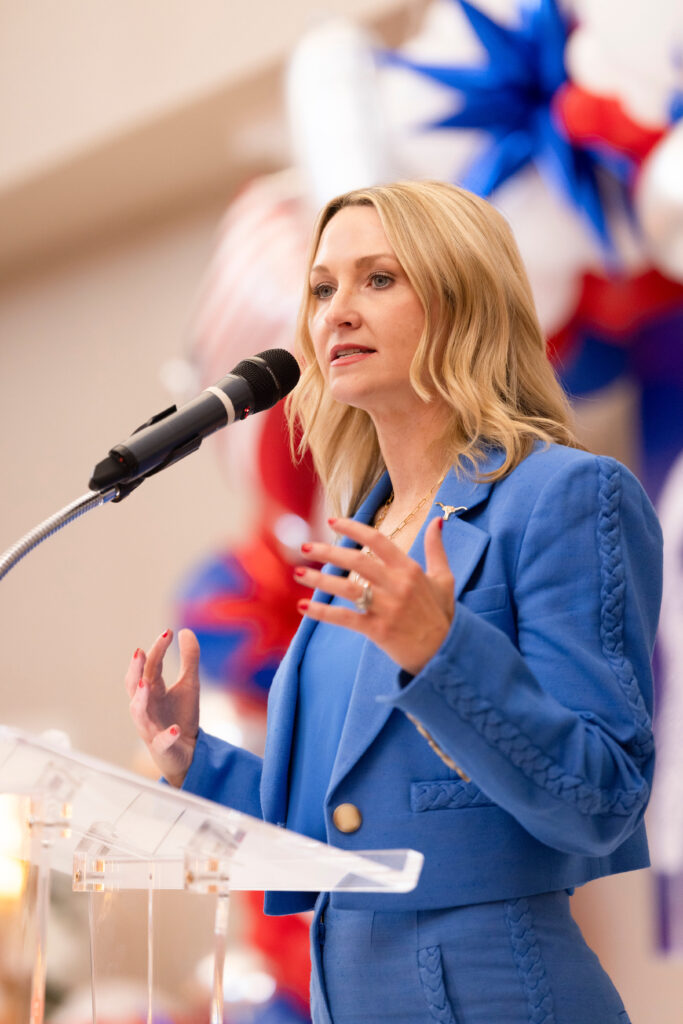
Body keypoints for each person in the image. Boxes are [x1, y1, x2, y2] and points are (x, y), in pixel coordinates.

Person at [126, 181, 662, 1024]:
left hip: (499, 995)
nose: (337, 311)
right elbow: (340, 831)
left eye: (378, 279)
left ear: (464, 302)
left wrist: (443, 653)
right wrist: (196, 757)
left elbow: (601, 797)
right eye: (321, 287)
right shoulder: (357, 535)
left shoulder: (564, 496)